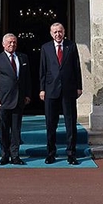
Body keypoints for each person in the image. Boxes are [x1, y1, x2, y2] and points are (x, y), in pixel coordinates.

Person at [39, 22, 83, 165]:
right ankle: (51, 153)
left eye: (60, 31)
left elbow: (77, 67)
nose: (58, 34)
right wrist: (42, 89)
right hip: (51, 90)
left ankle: (71, 154)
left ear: (64, 32)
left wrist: (79, 86)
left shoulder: (71, 46)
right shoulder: (45, 48)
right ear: (51, 34)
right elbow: (43, 70)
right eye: (55, 32)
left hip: (69, 90)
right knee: (51, 124)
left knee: (70, 123)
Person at [0, 33, 31, 165]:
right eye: (9, 42)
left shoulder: (23, 57)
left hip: (19, 100)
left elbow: (27, 78)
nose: (12, 44)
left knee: (16, 130)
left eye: (14, 42)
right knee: (3, 130)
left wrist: (27, 95)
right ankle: (4, 155)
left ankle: (15, 156)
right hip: (3, 101)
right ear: (3, 44)